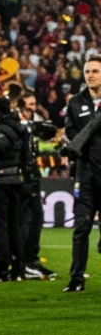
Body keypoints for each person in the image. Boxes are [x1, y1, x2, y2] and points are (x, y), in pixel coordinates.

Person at [61, 54, 101, 292]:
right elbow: (71, 132)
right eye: (88, 71)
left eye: (95, 71)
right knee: (81, 227)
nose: (91, 75)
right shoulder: (76, 102)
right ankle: (76, 279)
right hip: (86, 173)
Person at [0, 94, 31, 283]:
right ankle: (18, 267)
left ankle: (2, 269)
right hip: (16, 178)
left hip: (1, 181)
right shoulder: (19, 126)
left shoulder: (2, 128)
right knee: (14, 225)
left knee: (0, 226)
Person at [17, 90, 57, 280]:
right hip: (21, 178)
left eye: (34, 104)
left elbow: (43, 142)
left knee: (36, 218)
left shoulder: (36, 121)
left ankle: (32, 261)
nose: (32, 108)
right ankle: (24, 261)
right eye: (29, 105)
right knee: (26, 219)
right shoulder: (17, 123)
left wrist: (54, 149)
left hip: (33, 175)